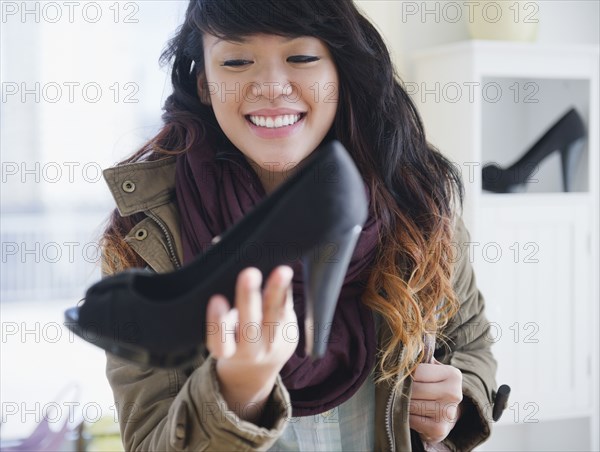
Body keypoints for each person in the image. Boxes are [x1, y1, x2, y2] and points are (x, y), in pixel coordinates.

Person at [100, 1, 499, 450]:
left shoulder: (417, 200)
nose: (271, 86)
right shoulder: (148, 235)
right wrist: (236, 393)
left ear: (340, 72)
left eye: (302, 58)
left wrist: (458, 397)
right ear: (205, 84)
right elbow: (149, 441)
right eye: (236, 61)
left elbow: (473, 344)